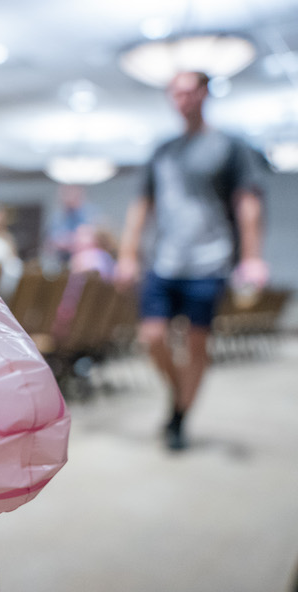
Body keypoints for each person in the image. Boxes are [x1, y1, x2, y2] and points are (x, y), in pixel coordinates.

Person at [116, 70, 267, 450]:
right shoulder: (162, 151)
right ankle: (180, 395)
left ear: (204, 94)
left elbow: (247, 203)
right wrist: (127, 254)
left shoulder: (230, 147)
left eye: (188, 92)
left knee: (197, 345)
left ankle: (179, 417)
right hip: (164, 261)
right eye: (174, 93)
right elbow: (142, 205)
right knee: (152, 338)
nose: (181, 99)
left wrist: (251, 258)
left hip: (209, 262)